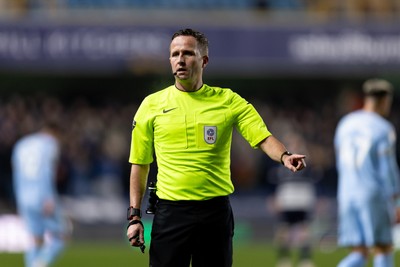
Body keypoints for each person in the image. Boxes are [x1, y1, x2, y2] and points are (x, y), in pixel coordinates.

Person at [126, 28, 307, 267]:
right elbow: (140, 163)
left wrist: (284, 156)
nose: (180, 59)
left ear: (204, 60)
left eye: (188, 53)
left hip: (214, 212)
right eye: (174, 54)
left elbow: (262, 137)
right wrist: (134, 216)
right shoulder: (151, 105)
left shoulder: (228, 101)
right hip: (170, 212)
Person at [334, 78, 400, 267]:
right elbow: (387, 169)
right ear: (384, 101)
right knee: (384, 247)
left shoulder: (345, 124)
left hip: (346, 194)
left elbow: (340, 161)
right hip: (372, 194)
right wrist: (396, 200)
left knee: (359, 252)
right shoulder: (383, 128)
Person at [12, 121, 69, 267]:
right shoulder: (50, 144)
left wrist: (18, 200)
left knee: (36, 238)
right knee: (62, 235)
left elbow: (16, 175)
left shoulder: (21, 144)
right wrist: (48, 197)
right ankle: (40, 264)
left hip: (24, 197)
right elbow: (46, 172)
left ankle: (32, 264)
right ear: (55, 133)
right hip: (43, 196)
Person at [268, 133, 317, 267]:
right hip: (287, 200)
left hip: (302, 200)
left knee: (303, 230)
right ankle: (284, 260)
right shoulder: (282, 161)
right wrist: (274, 198)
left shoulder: (308, 163)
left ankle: (304, 259)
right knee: (283, 231)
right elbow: (275, 183)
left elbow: (315, 182)